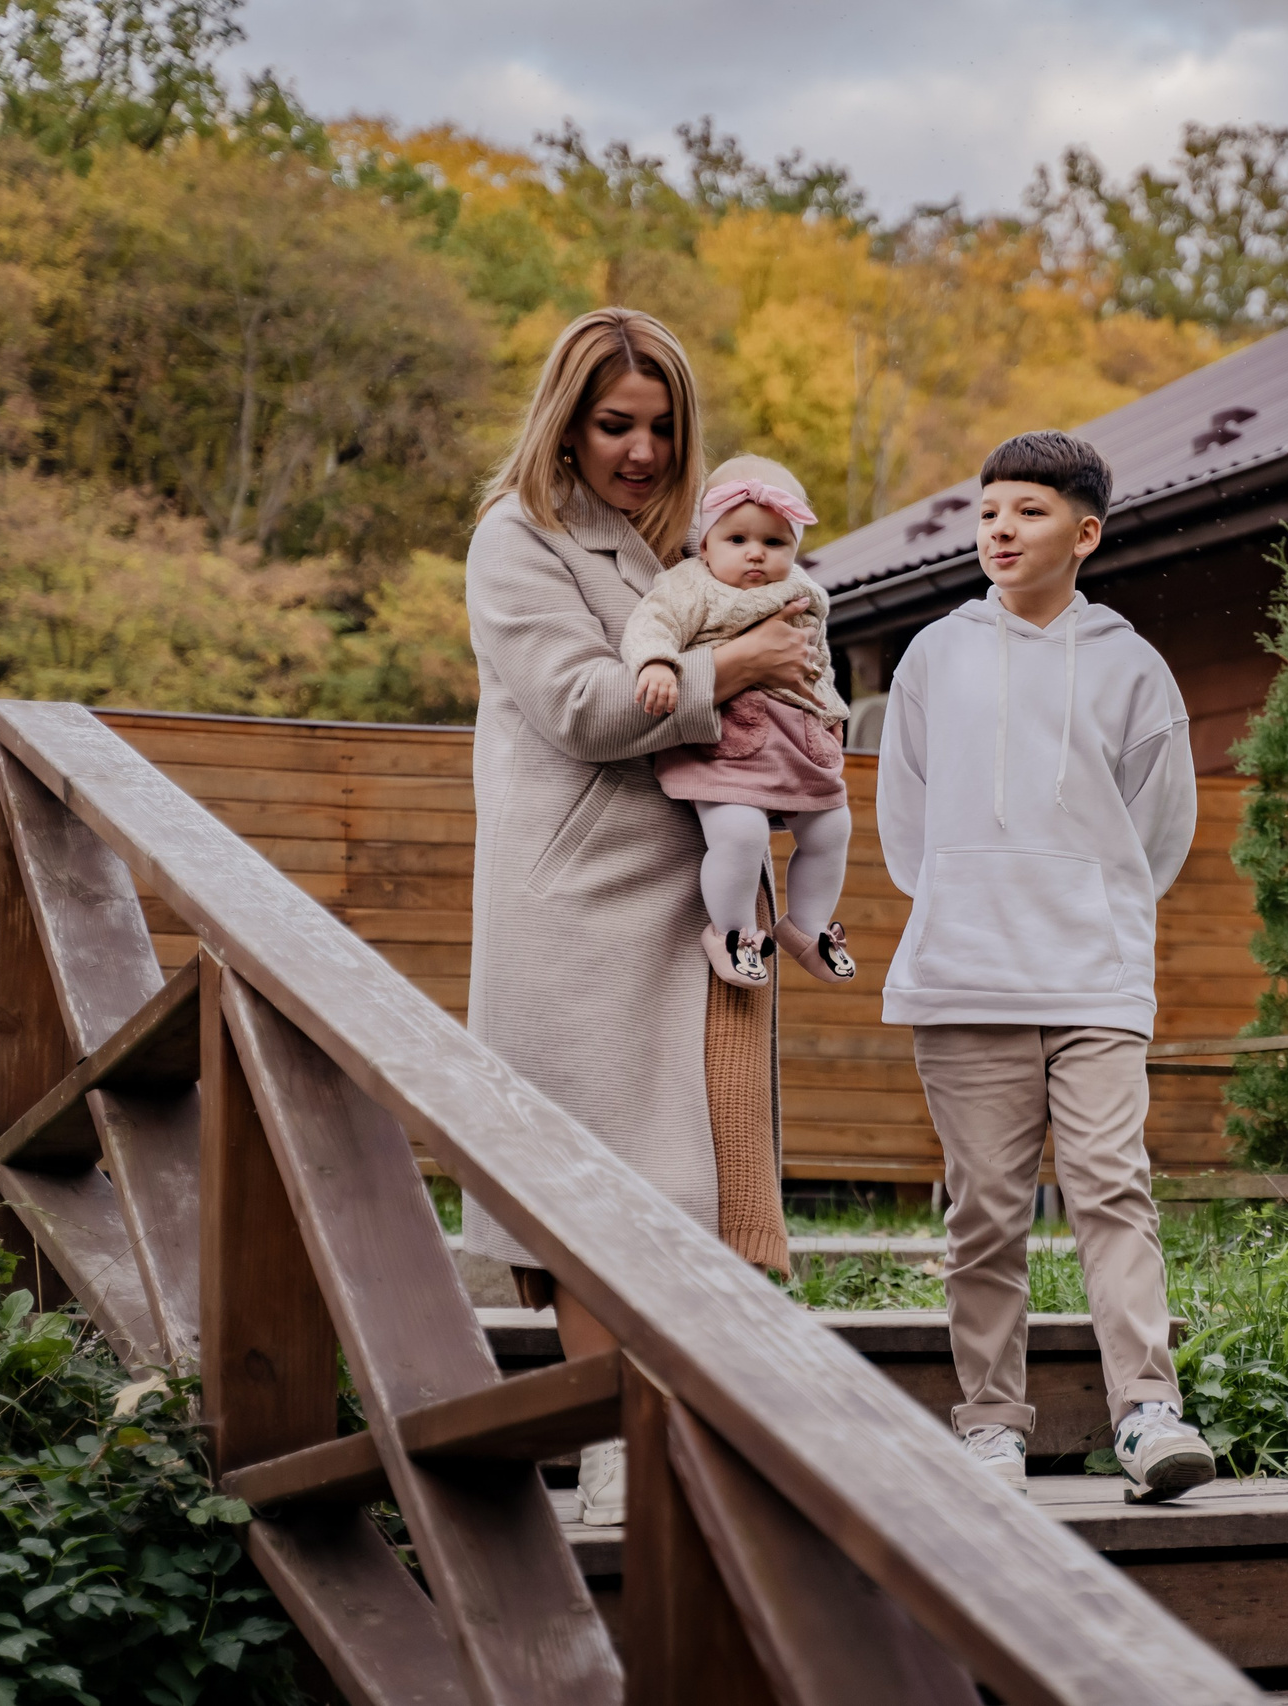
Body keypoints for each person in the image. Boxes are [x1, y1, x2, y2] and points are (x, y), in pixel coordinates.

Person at [461, 307, 808, 1528]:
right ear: (566, 423)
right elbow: (580, 705)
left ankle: (685, 1432)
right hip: (576, 902)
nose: (644, 450)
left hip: (694, 897)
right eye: (616, 425)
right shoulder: (516, 537)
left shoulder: (694, 540)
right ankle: (614, 1449)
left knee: (699, 1177)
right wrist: (739, 669)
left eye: (663, 427)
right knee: (591, 1179)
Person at [876, 430, 1214, 1502]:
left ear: (1085, 532)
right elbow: (904, 813)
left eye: (1027, 510)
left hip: (1093, 979)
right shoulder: (933, 656)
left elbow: (1161, 827)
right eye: (987, 513)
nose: (1001, 530)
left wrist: (1090, 901)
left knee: (1112, 1188)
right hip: (965, 974)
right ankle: (990, 1426)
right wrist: (965, 900)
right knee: (985, 1210)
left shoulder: (1131, 665)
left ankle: (1148, 1413)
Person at [625, 454, 857, 989]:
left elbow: (818, 662)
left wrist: (831, 713)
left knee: (832, 827)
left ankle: (808, 926)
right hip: (726, 738)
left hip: (798, 737)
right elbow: (651, 623)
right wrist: (657, 664)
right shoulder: (692, 585)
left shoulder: (804, 593)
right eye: (737, 539)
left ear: (794, 549)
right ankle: (733, 933)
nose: (756, 553)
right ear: (706, 544)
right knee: (740, 833)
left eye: (774, 542)